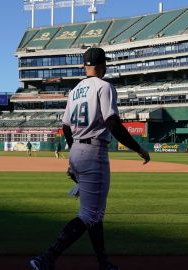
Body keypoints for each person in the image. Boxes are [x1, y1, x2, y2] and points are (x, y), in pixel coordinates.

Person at [29, 47, 150, 270]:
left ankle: (103, 262)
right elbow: (112, 122)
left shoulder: (74, 90)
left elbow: (65, 126)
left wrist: (74, 152)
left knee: (94, 212)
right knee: (90, 214)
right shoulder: (104, 86)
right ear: (102, 65)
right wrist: (138, 148)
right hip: (94, 153)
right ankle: (46, 258)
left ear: (85, 66)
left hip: (77, 150)